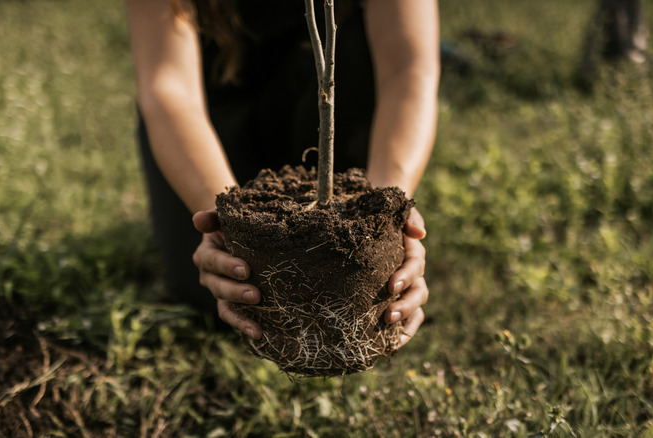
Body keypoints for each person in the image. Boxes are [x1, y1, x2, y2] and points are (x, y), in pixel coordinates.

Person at [126, 0, 439, 347]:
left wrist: (387, 213)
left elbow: (407, 68)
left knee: (355, 50)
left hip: (322, 91)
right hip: (211, 110)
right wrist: (229, 223)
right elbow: (169, 87)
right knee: (213, 292)